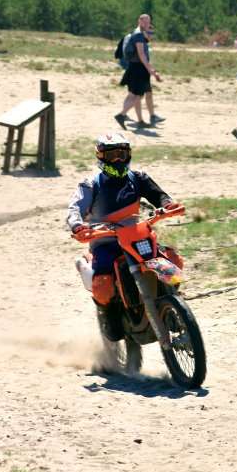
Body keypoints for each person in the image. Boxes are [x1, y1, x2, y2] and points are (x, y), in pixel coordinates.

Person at [67, 132, 178, 339]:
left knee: (173, 260)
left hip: (136, 236)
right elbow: (76, 208)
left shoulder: (138, 178)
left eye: (121, 153)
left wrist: (168, 205)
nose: (117, 159)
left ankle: (173, 304)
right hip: (105, 242)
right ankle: (108, 315)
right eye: (112, 155)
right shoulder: (90, 184)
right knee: (102, 284)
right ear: (101, 157)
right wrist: (77, 225)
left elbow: (159, 195)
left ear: (128, 154)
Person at [115, 14, 165, 130]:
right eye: (145, 22)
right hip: (139, 69)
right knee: (137, 96)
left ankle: (140, 120)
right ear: (140, 21)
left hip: (135, 67)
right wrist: (151, 71)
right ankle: (122, 115)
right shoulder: (138, 35)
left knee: (135, 95)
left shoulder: (138, 33)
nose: (148, 24)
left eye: (149, 22)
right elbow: (142, 55)